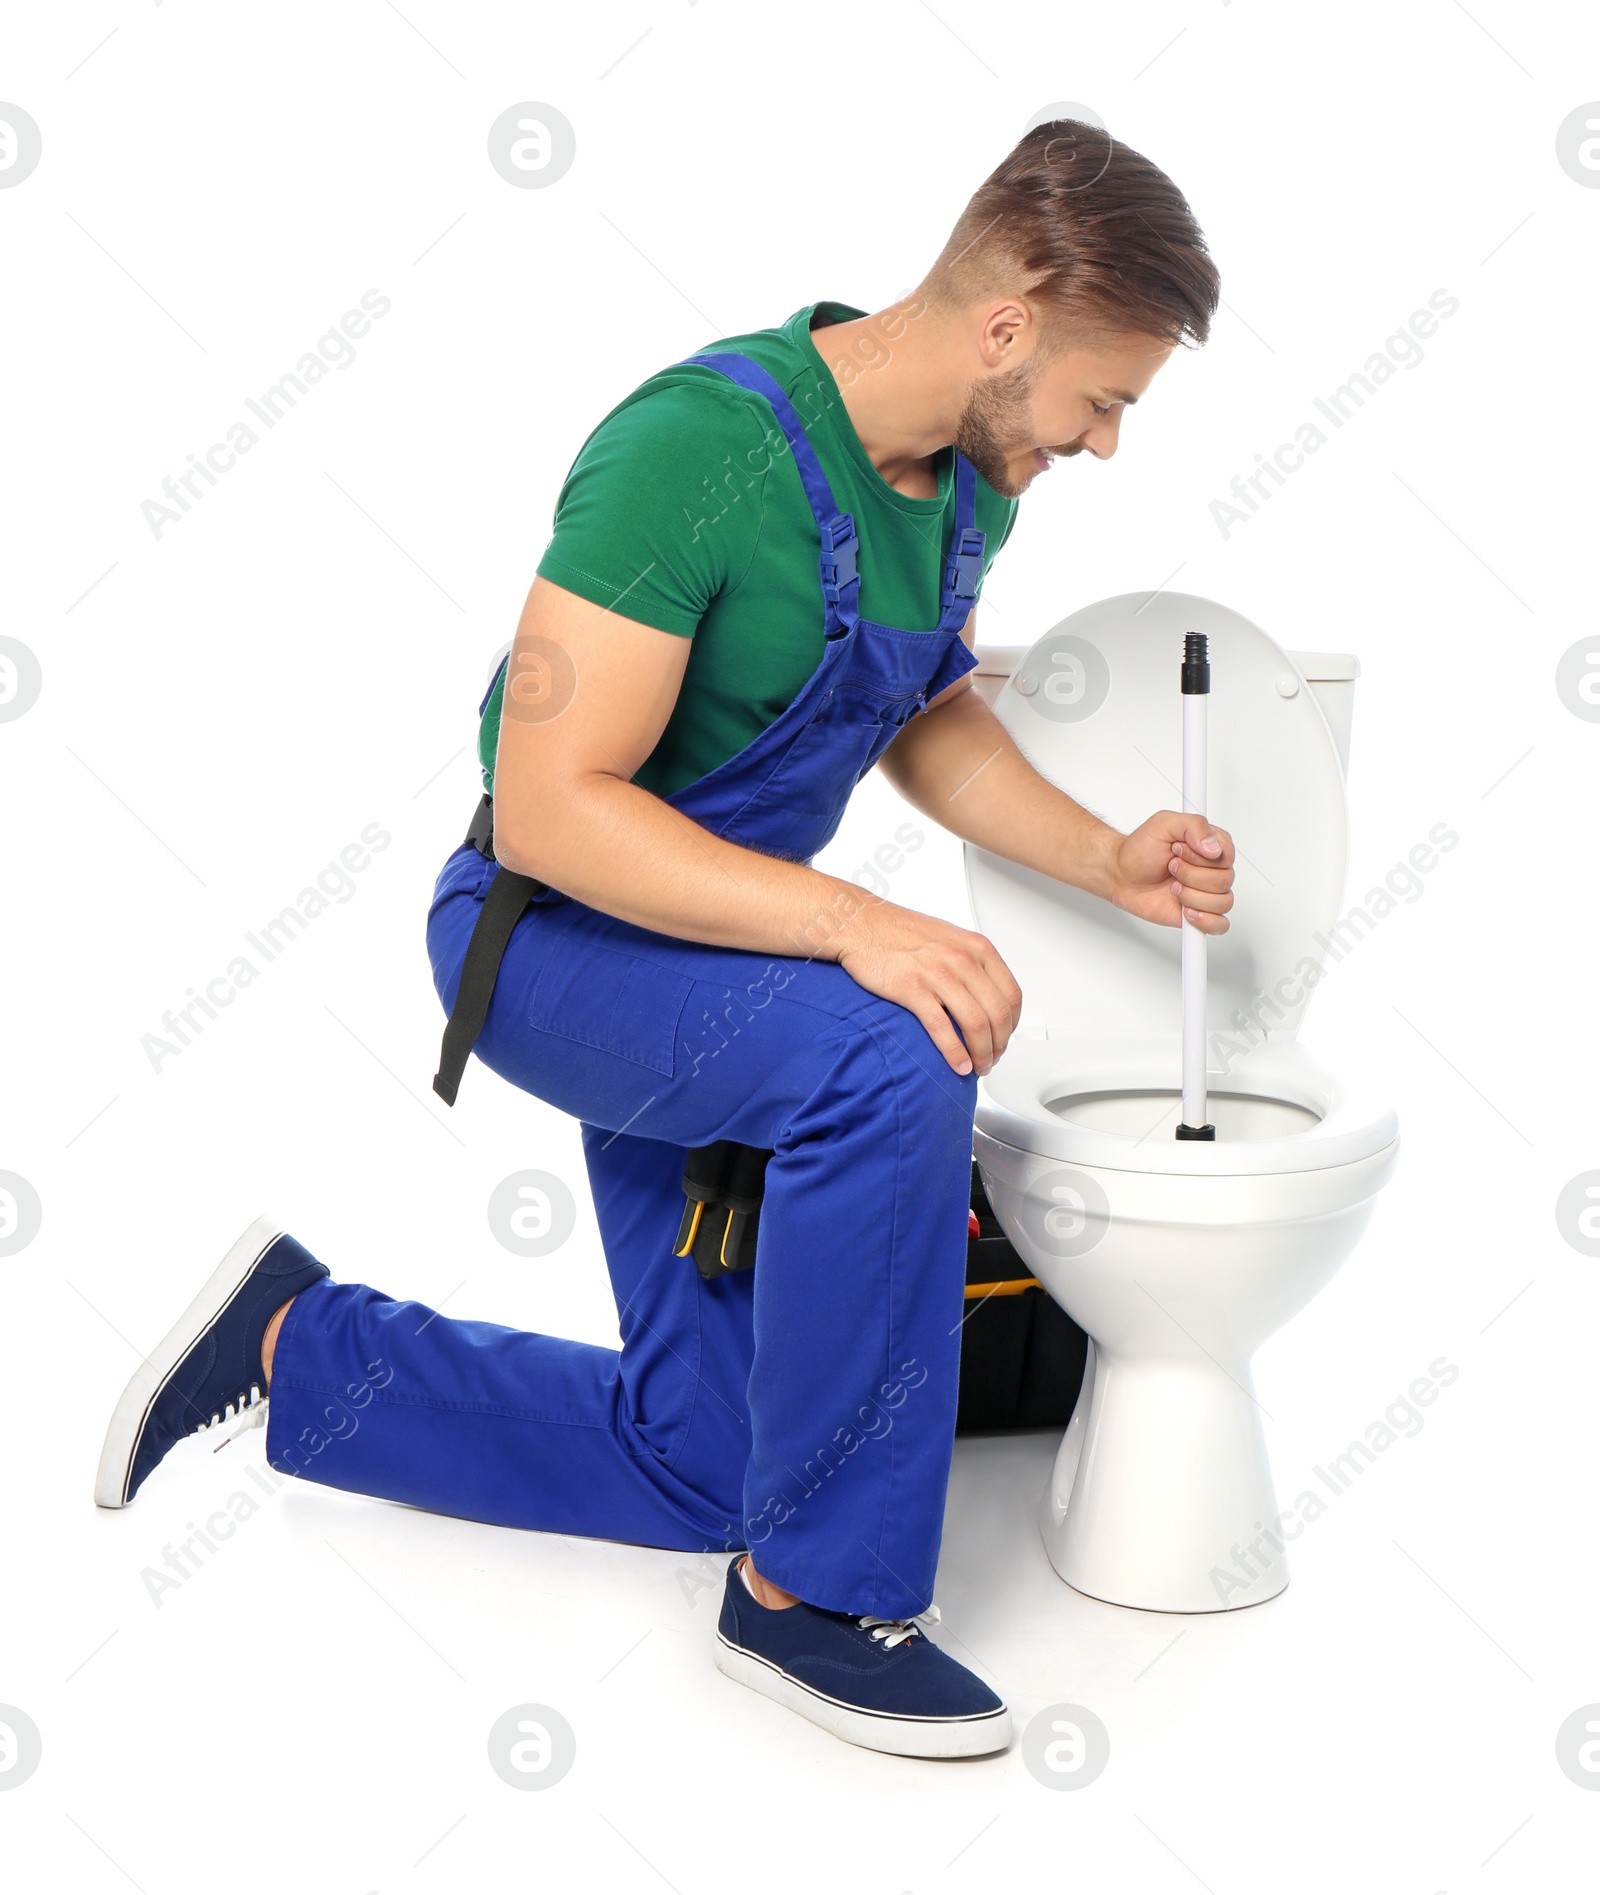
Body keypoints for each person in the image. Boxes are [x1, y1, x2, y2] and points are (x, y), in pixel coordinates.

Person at [96, 120, 1234, 1760]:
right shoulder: (696, 450)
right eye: (1103, 398)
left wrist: (1107, 855)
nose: (1109, 441)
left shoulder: (971, 482)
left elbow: (926, 712)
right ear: (1007, 334)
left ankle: (299, 1342)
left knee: (708, 1459)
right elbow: (553, 806)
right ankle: (814, 1602)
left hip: (725, 956)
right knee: (895, 1049)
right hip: (557, 938)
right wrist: (856, 923)